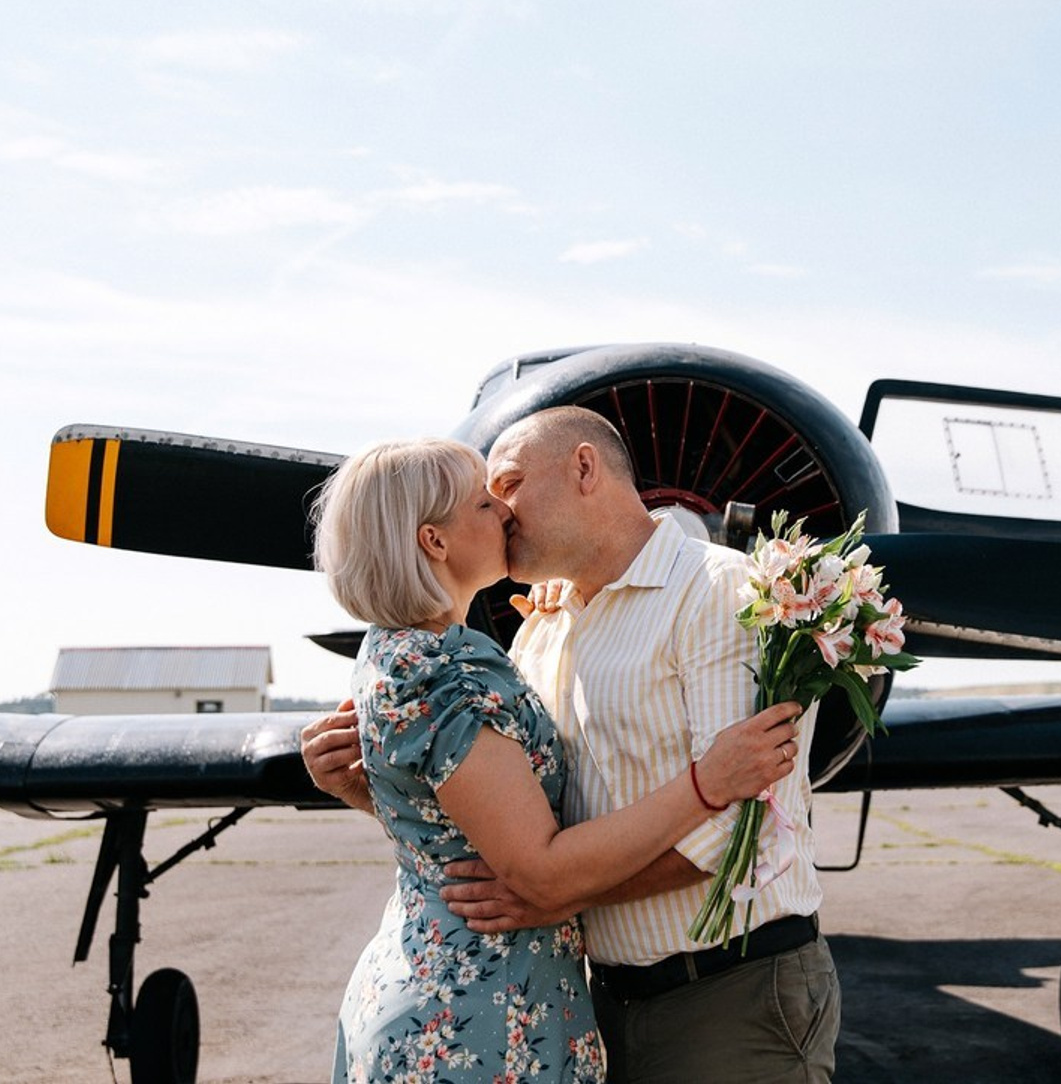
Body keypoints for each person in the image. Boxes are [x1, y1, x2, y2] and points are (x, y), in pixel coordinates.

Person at [305, 408, 841, 1082]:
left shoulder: (718, 592)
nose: (500, 510)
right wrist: (381, 790)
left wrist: (557, 894)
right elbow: (505, 824)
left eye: (508, 484)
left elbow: (738, 832)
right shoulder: (533, 634)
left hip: (726, 995)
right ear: (432, 540)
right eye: (484, 498)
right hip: (582, 1001)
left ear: (584, 468)